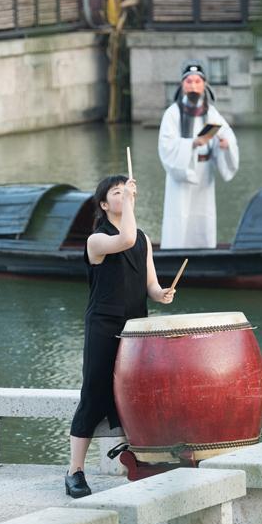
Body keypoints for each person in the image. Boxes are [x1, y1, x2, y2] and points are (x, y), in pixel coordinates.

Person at [65, 175, 176, 498]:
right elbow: (125, 239)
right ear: (103, 204)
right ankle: (74, 471)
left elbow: (150, 285)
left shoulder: (142, 238)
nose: (123, 195)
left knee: (136, 394)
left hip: (135, 327)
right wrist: (129, 201)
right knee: (93, 394)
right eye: (116, 193)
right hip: (103, 325)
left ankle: (144, 462)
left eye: (125, 191)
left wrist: (162, 293)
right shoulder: (97, 240)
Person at [158, 60, 240, 250]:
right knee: (180, 215)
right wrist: (191, 144)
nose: (193, 86)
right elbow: (167, 146)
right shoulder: (172, 114)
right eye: (189, 82)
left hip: (205, 173)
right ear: (182, 85)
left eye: (197, 81)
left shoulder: (211, 112)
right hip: (182, 174)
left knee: (203, 217)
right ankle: (175, 253)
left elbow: (226, 135)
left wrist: (225, 144)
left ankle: (204, 251)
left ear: (204, 84)